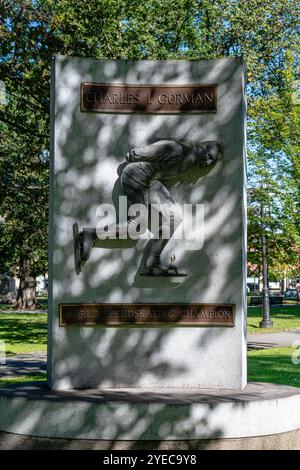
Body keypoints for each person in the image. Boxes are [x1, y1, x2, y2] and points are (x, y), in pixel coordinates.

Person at [74, 139, 222, 275]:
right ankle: (90, 235)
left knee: (174, 218)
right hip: (136, 177)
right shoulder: (176, 149)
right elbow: (146, 152)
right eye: (209, 156)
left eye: (212, 161)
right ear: (201, 147)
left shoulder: (189, 162)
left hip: (152, 183)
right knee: (136, 227)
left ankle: (153, 262)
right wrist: (136, 154)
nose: (208, 162)